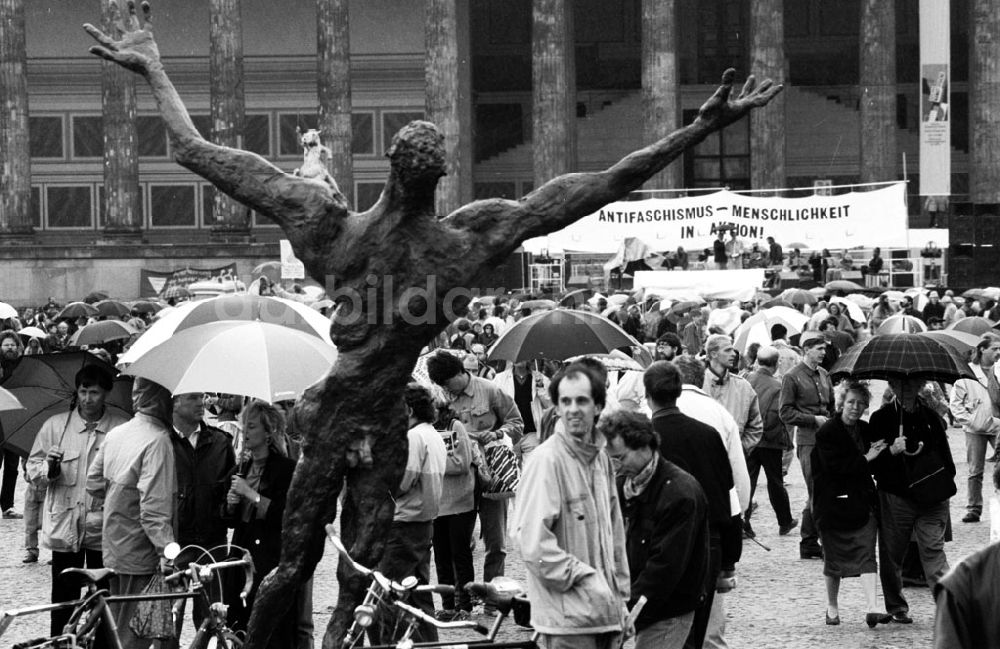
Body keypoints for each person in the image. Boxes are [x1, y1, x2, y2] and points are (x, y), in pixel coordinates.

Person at [515, 363, 631, 649]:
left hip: (605, 616)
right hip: (567, 623)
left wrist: (620, 599)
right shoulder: (546, 461)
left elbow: (615, 536)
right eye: (565, 401)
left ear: (599, 406)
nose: (572, 409)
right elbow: (531, 546)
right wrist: (585, 578)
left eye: (581, 400)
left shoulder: (602, 460)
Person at [26, 366, 129, 636]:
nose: (87, 398)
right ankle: (61, 641)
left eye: (94, 392)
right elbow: (32, 471)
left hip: (102, 527)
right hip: (65, 528)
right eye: (83, 391)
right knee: (63, 599)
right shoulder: (55, 427)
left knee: (103, 600)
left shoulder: (119, 429)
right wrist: (49, 467)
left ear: (105, 393)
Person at [599, 410, 711, 649]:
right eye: (611, 459)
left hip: (669, 608)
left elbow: (664, 568)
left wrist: (627, 612)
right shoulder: (622, 485)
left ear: (644, 447)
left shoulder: (680, 492)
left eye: (620, 458)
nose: (616, 466)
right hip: (634, 600)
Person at [645, 361, 734, 649]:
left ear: (647, 395)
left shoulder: (644, 440)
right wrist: (729, 560)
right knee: (694, 633)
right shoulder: (708, 435)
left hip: (661, 546)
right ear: (678, 393)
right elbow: (726, 497)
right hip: (708, 542)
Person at [86, 377, 177, 649]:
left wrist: (119, 500)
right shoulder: (158, 440)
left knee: (121, 628)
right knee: (134, 635)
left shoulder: (117, 433)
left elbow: (92, 482)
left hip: (114, 548)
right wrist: (167, 551)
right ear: (164, 399)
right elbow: (153, 509)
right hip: (141, 553)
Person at [426, 350, 522, 585]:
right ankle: (462, 596)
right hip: (457, 478)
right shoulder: (439, 398)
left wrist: (498, 433)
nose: (447, 390)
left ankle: (492, 595)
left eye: (449, 383)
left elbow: (517, 423)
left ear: (460, 372)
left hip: (491, 474)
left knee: (495, 540)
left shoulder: (489, 390)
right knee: (455, 542)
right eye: (442, 386)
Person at [865, 378, 956, 624]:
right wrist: (892, 452)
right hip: (896, 496)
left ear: (919, 386)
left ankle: (949, 607)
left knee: (933, 552)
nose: (905, 390)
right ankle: (896, 606)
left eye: (911, 384)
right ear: (892, 387)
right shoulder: (881, 419)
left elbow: (946, 459)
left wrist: (940, 481)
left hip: (932, 498)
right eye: (899, 385)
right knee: (892, 553)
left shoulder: (931, 417)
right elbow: (874, 466)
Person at [811, 382, 891, 628]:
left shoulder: (865, 430)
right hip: (834, 506)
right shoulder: (827, 432)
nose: (855, 408)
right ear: (841, 403)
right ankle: (832, 606)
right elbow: (835, 470)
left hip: (863, 503)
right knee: (833, 561)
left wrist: (890, 451)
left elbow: (876, 465)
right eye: (851, 402)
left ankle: (873, 607)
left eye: (860, 403)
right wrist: (866, 458)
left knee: (867, 554)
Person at [223, 400, 299, 645]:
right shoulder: (241, 468)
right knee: (239, 620)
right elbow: (229, 520)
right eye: (245, 425)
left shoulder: (286, 469)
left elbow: (285, 514)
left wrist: (251, 494)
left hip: (270, 554)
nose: (245, 431)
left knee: (270, 624)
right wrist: (231, 502)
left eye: (252, 426)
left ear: (268, 433)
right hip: (241, 554)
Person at [169, 392, 237, 646]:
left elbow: (228, 494)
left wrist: (229, 508)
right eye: (194, 397)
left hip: (213, 544)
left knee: (212, 619)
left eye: (203, 396)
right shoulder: (162, 441)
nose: (202, 402)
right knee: (168, 620)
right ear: (175, 402)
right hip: (174, 545)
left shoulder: (220, 442)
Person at [779, 333, 835, 560]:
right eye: (819, 348)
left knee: (820, 490)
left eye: (824, 349)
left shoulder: (824, 375)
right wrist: (813, 420)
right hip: (807, 440)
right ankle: (817, 540)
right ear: (807, 350)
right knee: (816, 489)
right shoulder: (792, 377)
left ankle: (809, 541)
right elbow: (785, 412)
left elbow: (831, 406)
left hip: (827, 439)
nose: (823, 353)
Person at [744, 347, 796, 537]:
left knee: (747, 481)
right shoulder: (777, 386)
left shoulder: (745, 379)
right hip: (769, 440)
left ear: (758, 360)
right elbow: (776, 415)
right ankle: (785, 521)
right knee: (775, 482)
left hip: (748, 439)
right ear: (776, 363)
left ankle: (744, 522)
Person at [431, 403, 477, 619]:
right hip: (436, 503)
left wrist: (433, 461)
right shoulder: (422, 429)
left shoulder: (455, 425)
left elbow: (462, 463)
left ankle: (466, 605)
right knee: (441, 555)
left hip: (460, 502)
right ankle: (448, 605)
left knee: (460, 554)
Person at [949, 333, 1000, 523]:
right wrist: (971, 420)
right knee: (975, 471)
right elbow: (955, 404)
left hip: (998, 427)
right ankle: (974, 508)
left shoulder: (999, 369)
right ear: (982, 349)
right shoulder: (967, 372)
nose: (998, 352)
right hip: (975, 429)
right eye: (994, 348)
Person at [702, 334, 763, 455]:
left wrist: (740, 449)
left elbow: (756, 425)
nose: (734, 354)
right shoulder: (697, 384)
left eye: (733, 350)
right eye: (728, 350)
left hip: (734, 460)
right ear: (713, 354)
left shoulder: (743, 386)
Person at [494, 360, 551, 460]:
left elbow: (550, 405)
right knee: (511, 473)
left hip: (532, 434)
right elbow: (493, 403)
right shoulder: (500, 379)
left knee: (530, 473)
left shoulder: (541, 379)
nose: (519, 359)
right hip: (509, 435)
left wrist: (541, 388)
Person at [0, 330, 25, 519]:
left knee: (12, 466)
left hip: (16, 420)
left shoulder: (23, 366)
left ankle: (7, 506)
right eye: (6, 344)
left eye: (13, 344)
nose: (10, 347)